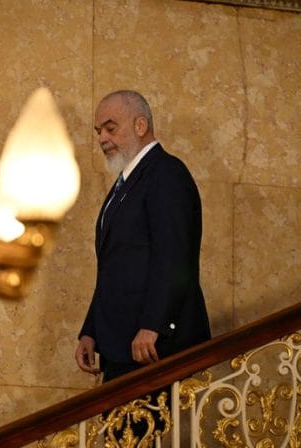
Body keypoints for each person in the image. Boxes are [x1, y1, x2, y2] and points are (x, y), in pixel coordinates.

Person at [75, 90, 211, 384]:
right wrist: (91, 331)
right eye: (99, 132)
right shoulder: (126, 183)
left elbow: (174, 257)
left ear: (140, 126)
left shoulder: (166, 173)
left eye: (111, 128)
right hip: (122, 344)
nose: (102, 139)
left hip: (153, 347)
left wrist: (153, 325)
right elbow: (116, 266)